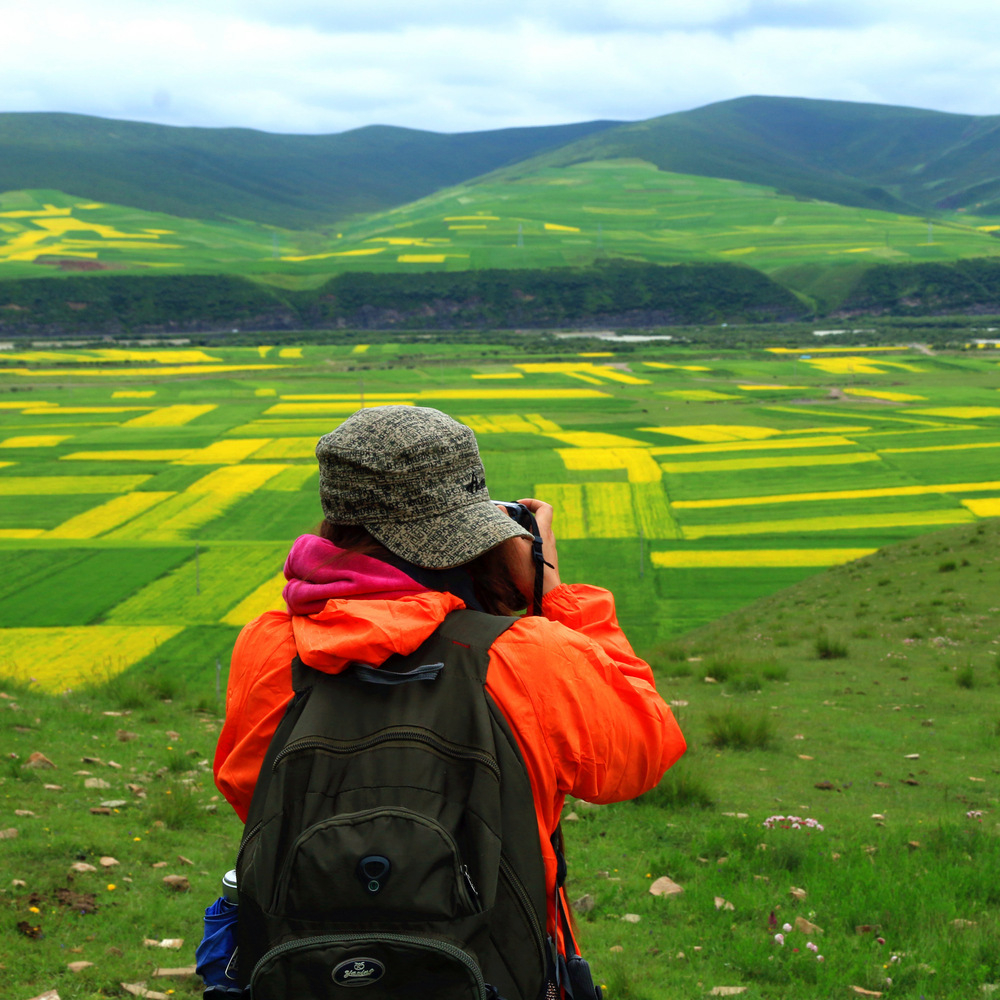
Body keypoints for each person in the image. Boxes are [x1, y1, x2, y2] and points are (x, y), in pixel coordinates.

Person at [213, 404, 686, 993]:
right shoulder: (524, 655)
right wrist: (552, 589)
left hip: (306, 972)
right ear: (470, 535)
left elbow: (253, 797)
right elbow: (645, 748)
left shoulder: (269, 648)